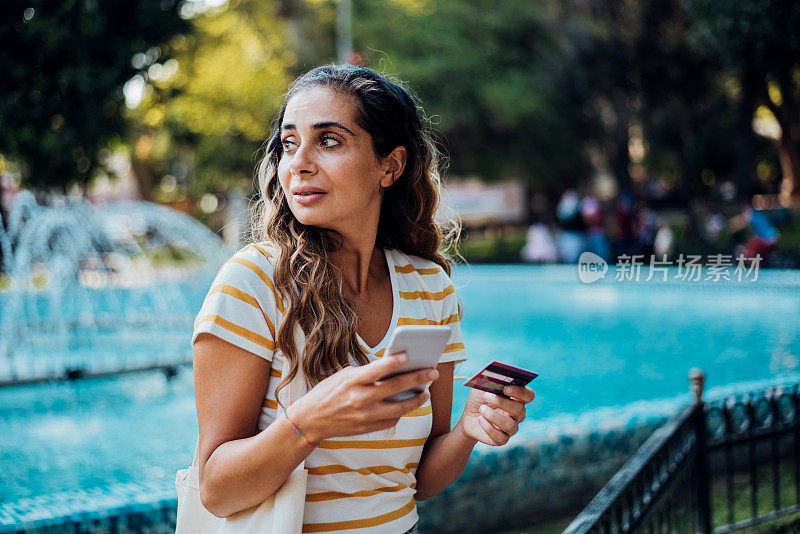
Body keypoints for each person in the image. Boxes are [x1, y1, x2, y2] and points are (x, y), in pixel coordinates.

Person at [191, 64, 536, 534]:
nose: (299, 163)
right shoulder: (252, 283)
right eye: (289, 143)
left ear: (389, 166)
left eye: (329, 140)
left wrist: (467, 431)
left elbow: (415, 479)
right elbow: (215, 489)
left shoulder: (429, 287)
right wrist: (307, 423)